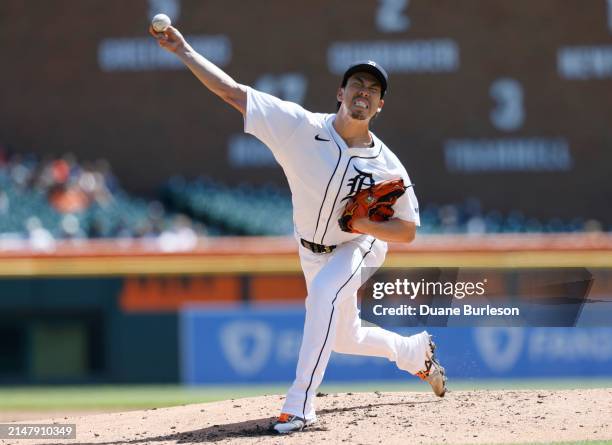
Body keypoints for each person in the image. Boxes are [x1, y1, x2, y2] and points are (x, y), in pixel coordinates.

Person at [150, 24, 447, 434]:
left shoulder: (388, 166)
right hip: (310, 250)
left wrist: (362, 222)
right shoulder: (298, 127)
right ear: (340, 94)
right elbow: (232, 92)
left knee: (323, 296)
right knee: (342, 335)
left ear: (379, 106)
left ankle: (300, 405)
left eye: (373, 89)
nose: (364, 91)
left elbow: (408, 231)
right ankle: (413, 353)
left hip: (358, 244)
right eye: (357, 83)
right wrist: (184, 50)